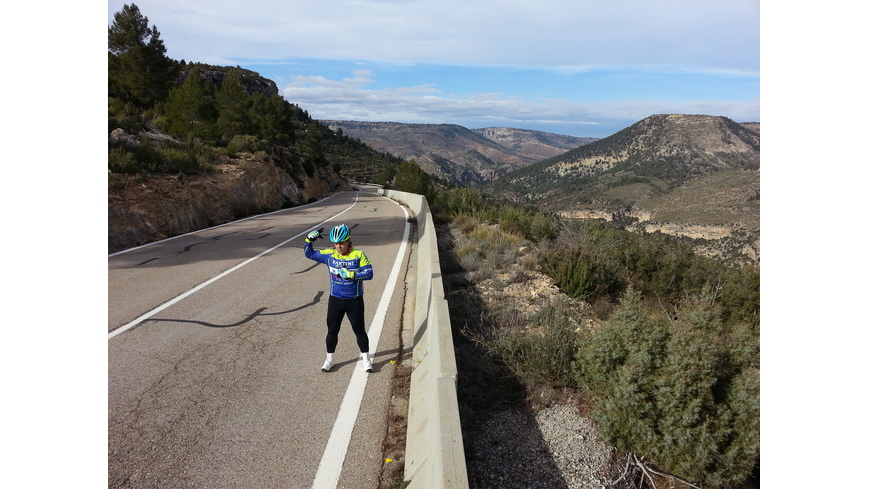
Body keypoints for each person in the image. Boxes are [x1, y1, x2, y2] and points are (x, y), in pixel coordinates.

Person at [304, 224, 375, 372]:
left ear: (348, 241)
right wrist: (308, 240)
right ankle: (329, 360)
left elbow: (369, 274)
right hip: (335, 300)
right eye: (336, 243)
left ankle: (366, 360)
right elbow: (309, 254)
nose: (338, 246)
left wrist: (352, 274)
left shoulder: (358, 255)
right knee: (332, 330)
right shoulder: (330, 255)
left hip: (354, 300)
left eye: (341, 243)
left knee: (359, 330)